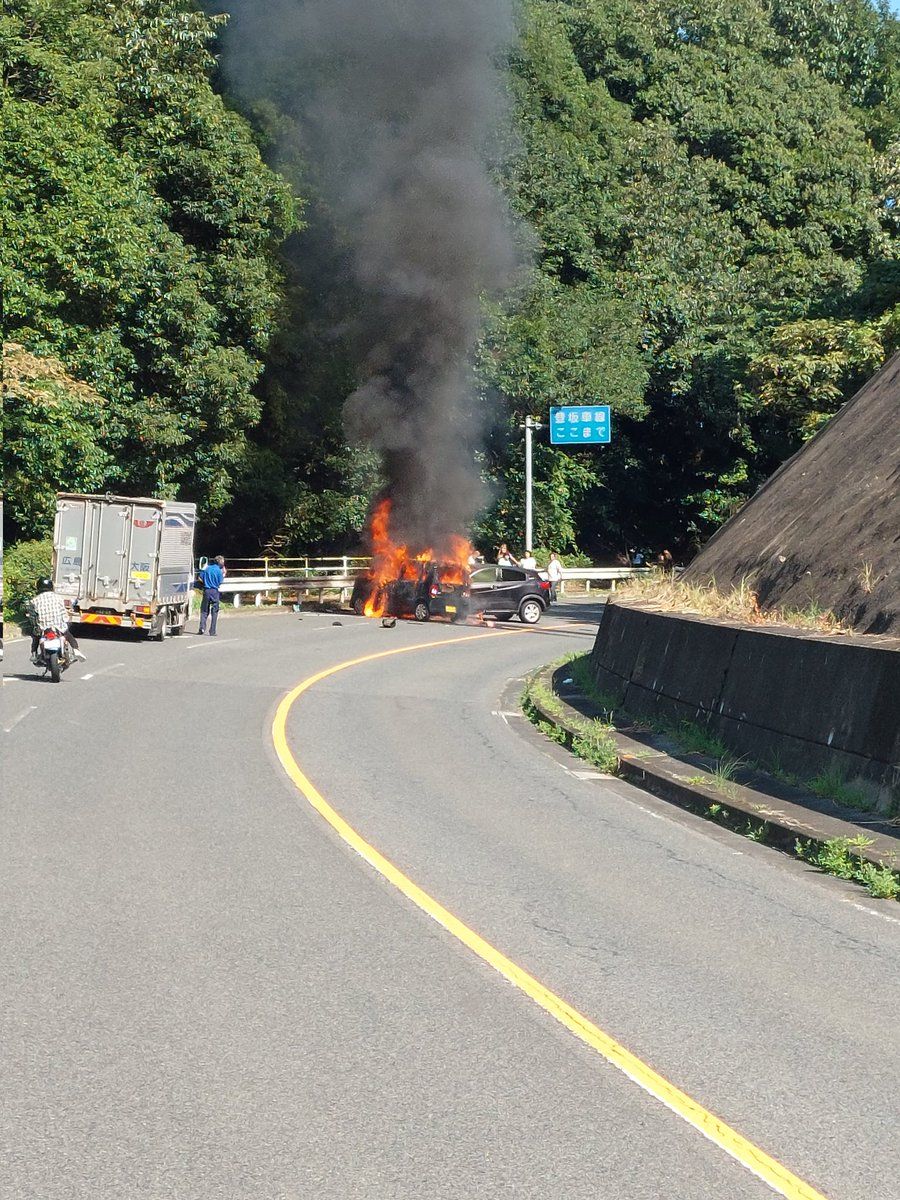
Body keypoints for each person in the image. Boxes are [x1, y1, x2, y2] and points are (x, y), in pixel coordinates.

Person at [28, 578, 86, 663]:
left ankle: (34, 654)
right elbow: (63, 612)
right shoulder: (58, 598)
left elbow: (32, 616)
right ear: (51, 587)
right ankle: (76, 650)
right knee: (67, 633)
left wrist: (34, 624)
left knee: (35, 636)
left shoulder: (34, 600)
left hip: (43, 627)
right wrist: (66, 620)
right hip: (58, 626)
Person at [198, 555, 226, 636]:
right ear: (220, 562)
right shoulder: (219, 571)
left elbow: (199, 578)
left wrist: (205, 582)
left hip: (206, 590)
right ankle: (212, 631)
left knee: (204, 610)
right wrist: (223, 574)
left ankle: (202, 628)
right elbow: (220, 581)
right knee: (214, 611)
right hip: (214, 591)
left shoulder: (207, 568)